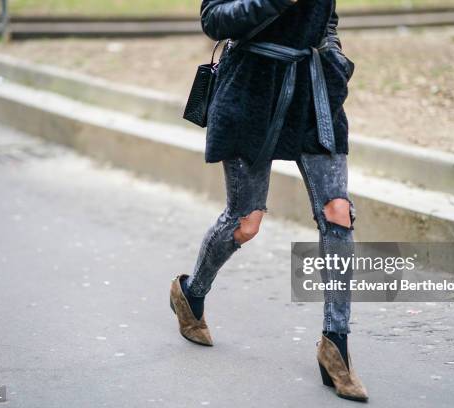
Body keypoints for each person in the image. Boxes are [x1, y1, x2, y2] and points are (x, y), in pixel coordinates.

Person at [169, 0, 368, 402]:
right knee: (246, 221)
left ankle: (337, 345)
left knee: (338, 212)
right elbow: (213, 19)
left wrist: (333, 58)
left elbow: (327, 16)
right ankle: (191, 293)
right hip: (249, 94)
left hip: (312, 95)